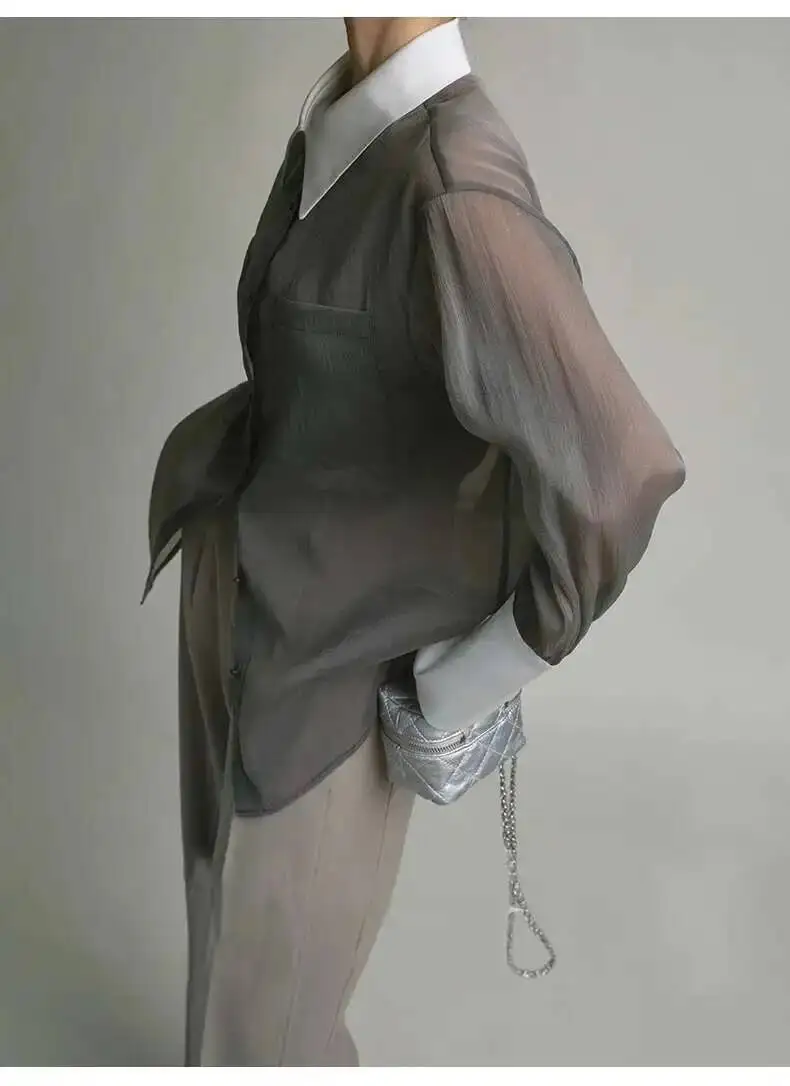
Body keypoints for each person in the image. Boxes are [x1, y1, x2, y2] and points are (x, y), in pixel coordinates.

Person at [142, 16, 686, 1067]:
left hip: (330, 664)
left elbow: (619, 470)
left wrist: (477, 675)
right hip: (235, 579)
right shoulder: (342, 117)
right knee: (217, 938)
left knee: (270, 1031)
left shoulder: (451, 181)